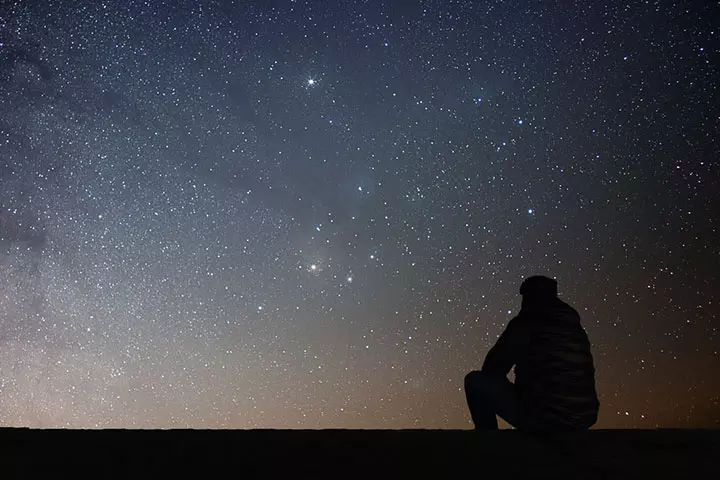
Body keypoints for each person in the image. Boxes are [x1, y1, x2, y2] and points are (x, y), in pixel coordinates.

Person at [464, 276, 599, 431]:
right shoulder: (575, 328)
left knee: (475, 382)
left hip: (545, 419)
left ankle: (488, 441)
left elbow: (492, 369)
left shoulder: (526, 322)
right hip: (583, 418)